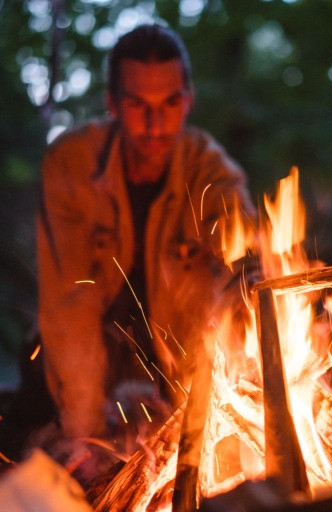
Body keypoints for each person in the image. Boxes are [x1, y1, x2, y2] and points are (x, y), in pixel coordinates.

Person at [0, 23, 256, 473]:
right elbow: (68, 304)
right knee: (34, 429)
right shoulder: (72, 164)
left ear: (188, 101)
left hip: (174, 369)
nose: (156, 124)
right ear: (112, 104)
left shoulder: (212, 172)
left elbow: (245, 271)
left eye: (170, 103)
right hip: (83, 361)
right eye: (138, 104)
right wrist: (85, 431)